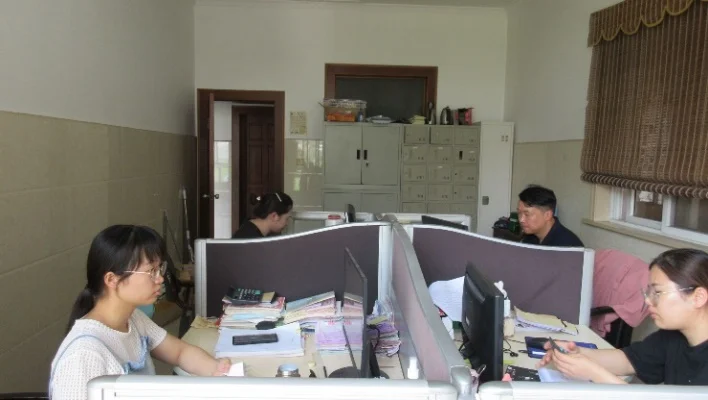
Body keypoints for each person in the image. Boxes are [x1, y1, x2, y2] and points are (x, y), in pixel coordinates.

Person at [50, 225, 231, 400]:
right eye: (151, 271)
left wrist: (217, 369)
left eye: (160, 269)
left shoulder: (133, 319)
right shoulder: (83, 354)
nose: (160, 279)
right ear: (112, 279)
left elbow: (180, 352)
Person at [539, 248, 708, 385]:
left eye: (657, 292)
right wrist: (578, 353)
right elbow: (628, 360)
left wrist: (595, 374)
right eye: (648, 292)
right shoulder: (673, 337)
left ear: (698, 297)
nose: (647, 300)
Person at [517, 185, 583, 247]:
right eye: (519, 213)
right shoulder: (529, 236)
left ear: (547, 215)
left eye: (527, 214)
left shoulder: (568, 246)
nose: (521, 220)